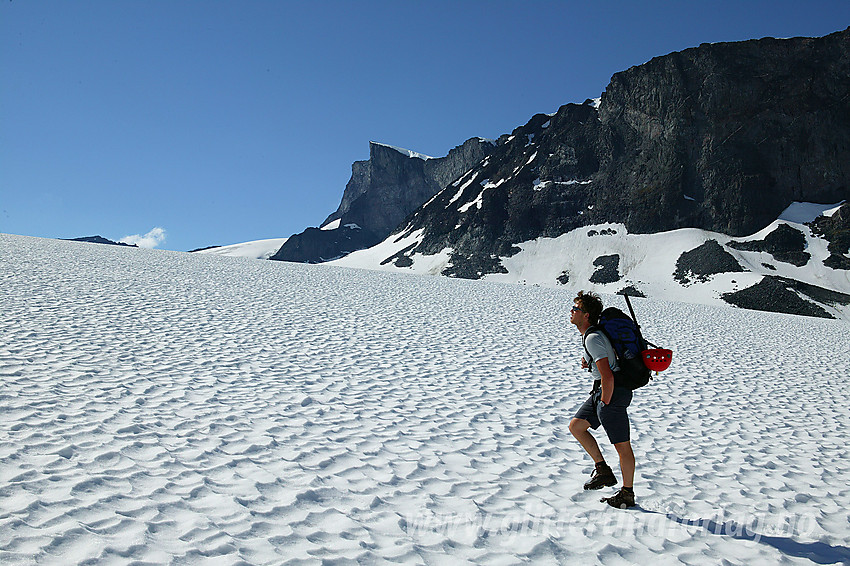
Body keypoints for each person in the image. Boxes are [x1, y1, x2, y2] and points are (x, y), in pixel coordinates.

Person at [568, 291, 636, 509]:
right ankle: (603, 471)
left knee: (622, 446)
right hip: (602, 391)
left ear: (586, 315)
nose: (572, 311)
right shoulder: (590, 337)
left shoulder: (594, 338)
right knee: (577, 426)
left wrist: (605, 403)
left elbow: (607, 374)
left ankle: (627, 493)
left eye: (576, 309)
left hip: (611, 393)